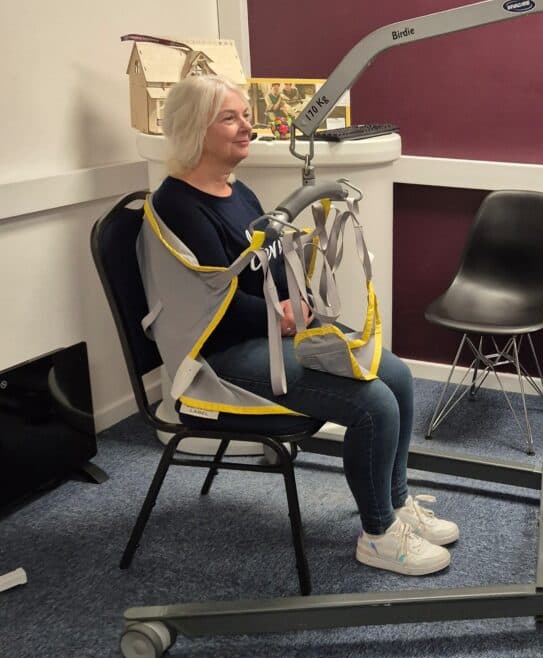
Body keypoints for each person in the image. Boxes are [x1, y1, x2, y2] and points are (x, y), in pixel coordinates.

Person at [153, 73, 459, 577]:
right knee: (373, 404)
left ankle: (396, 500)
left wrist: (299, 304)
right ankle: (379, 534)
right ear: (193, 129)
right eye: (229, 118)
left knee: (398, 376)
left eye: (245, 115)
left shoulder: (237, 191)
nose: (246, 126)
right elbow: (211, 302)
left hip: (271, 336)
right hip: (221, 355)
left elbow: (270, 266)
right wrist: (280, 316)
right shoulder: (177, 206)